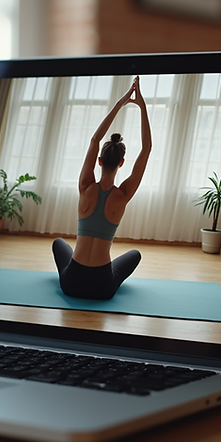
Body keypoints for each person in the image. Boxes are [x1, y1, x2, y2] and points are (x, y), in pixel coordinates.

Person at [52, 76, 152, 300]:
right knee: (134, 254)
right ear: (121, 163)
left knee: (59, 244)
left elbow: (95, 139)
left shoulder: (85, 186)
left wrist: (120, 103)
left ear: (99, 161)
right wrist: (141, 105)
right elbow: (146, 149)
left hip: (72, 283)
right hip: (102, 286)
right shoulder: (123, 195)